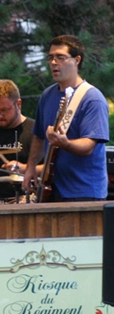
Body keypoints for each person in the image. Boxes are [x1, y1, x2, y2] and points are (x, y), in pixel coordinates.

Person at [22, 35, 109, 201]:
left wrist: (65, 143)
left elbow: (89, 145)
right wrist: (31, 168)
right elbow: (39, 137)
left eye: (60, 57)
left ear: (77, 60)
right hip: (52, 188)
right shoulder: (47, 95)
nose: (54, 62)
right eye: (51, 58)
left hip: (84, 191)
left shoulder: (92, 98)